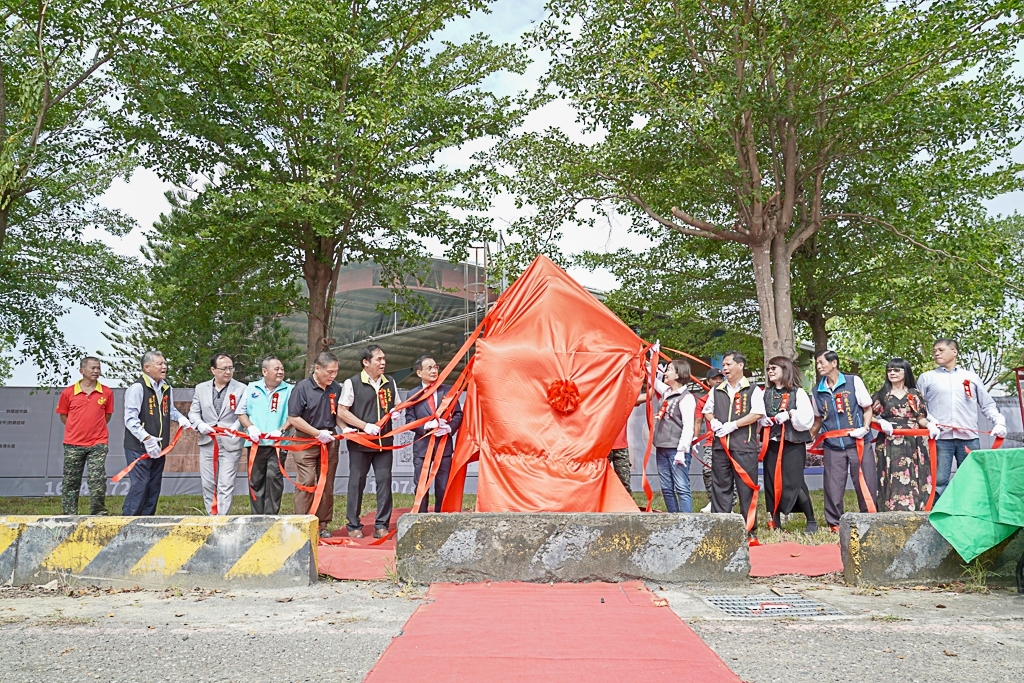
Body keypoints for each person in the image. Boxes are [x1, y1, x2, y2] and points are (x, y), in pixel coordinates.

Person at [917, 338, 1007, 497]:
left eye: (941, 350)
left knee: (971, 479)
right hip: (940, 438)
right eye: (934, 351)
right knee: (939, 481)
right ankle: (937, 515)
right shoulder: (927, 377)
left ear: (954, 352)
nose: (936, 353)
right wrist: (930, 422)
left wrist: (999, 421)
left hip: (969, 438)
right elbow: (918, 407)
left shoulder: (971, 377)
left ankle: (969, 514)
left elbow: (987, 404)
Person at [338, 345, 402, 538]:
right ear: (366, 362)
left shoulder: (389, 381)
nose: (383, 362)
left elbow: (397, 404)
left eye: (384, 359)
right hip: (361, 443)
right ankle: (354, 525)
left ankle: (382, 524)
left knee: (384, 482)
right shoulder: (352, 383)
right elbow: (342, 411)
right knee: (356, 483)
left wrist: (397, 411)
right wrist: (364, 426)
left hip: (384, 443)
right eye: (378, 359)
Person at [702, 351, 765, 539]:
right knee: (720, 487)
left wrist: (734, 425)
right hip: (720, 447)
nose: (725, 368)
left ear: (740, 365)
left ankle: (749, 530)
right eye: (724, 365)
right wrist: (713, 421)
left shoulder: (753, 389)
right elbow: (707, 411)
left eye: (729, 364)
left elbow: (757, 414)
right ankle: (722, 529)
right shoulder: (716, 389)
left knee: (746, 488)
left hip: (744, 446)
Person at [811, 350, 875, 532]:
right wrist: (810, 439)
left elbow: (867, 408)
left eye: (822, 363)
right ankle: (834, 523)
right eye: (817, 364)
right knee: (832, 484)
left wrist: (865, 428)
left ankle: (868, 517)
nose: (819, 367)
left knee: (865, 481)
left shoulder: (853, 381)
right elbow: (818, 419)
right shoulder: (817, 391)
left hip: (858, 442)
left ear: (834, 363)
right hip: (833, 445)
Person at [122, 350, 192, 516]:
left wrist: (181, 418)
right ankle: (127, 521)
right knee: (140, 484)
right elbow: (130, 419)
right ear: (147, 367)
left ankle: (147, 522)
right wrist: (146, 438)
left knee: (154, 486)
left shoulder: (166, 387)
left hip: (160, 447)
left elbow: (169, 410)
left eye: (165, 363)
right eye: (159, 364)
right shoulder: (137, 388)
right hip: (139, 447)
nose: (164, 367)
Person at [288, 351, 344, 538]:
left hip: (329, 440)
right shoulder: (302, 388)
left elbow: (340, 414)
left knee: (326, 483)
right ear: (317, 368)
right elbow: (294, 418)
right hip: (306, 440)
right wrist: (316, 433)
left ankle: (323, 524)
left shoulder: (335, 387)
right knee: (307, 480)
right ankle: (302, 522)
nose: (333, 376)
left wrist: (344, 429)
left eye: (335, 371)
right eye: (329, 371)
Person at [758, 356, 817, 533]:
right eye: (769, 369)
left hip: (792, 443)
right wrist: (764, 421)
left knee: (794, 481)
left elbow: (807, 419)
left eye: (774, 368)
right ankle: (775, 522)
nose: (770, 371)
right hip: (772, 443)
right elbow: (758, 415)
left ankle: (811, 520)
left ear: (785, 369)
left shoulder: (797, 393)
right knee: (770, 481)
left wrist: (790, 414)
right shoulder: (765, 393)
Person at [189, 353, 248, 515]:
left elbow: (243, 412)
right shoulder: (201, 388)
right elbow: (193, 413)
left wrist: (236, 427)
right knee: (208, 483)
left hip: (230, 442)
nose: (228, 372)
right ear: (213, 370)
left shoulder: (242, 388)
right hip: (208, 442)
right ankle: (211, 516)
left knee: (225, 484)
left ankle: (221, 520)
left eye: (231, 368)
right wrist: (200, 425)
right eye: (224, 369)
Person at [55, 357, 114, 515]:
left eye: (98, 368)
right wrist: (77, 429)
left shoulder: (106, 392)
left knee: (97, 479)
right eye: (92, 368)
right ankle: (69, 514)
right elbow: (63, 416)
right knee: (71, 481)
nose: (96, 371)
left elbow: (107, 416)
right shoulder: (68, 392)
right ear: (82, 371)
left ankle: (98, 512)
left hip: (98, 443)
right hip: (73, 443)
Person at [872, 358, 932, 511]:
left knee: (913, 471)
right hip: (888, 439)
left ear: (905, 372)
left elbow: (920, 417)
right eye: (889, 370)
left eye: (896, 370)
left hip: (913, 439)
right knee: (890, 471)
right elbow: (868, 415)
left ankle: (916, 507)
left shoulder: (914, 394)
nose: (892, 373)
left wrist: (930, 425)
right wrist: (880, 423)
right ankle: (889, 508)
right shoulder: (882, 394)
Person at [236, 356, 293, 514]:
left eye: (282, 368)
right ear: (264, 371)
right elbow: (241, 413)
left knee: (273, 477)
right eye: (277, 369)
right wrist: (251, 427)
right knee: (256, 479)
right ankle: (257, 516)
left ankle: (270, 516)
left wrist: (281, 429)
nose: (281, 372)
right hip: (255, 443)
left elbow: (294, 416)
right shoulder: (252, 388)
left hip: (278, 443)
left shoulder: (289, 390)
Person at [407, 354, 463, 512]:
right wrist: (425, 426)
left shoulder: (448, 390)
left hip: (443, 446)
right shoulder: (414, 394)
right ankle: (421, 519)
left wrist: (449, 428)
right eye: (429, 368)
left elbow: (458, 414)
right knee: (421, 486)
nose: (434, 371)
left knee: (442, 486)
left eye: (436, 367)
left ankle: (441, 519)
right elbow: (409, 420)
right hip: (422, 448)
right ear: (419, 373)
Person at [653, 360, 696, 512]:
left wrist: (681, 450)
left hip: (676, 449)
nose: (665, 372)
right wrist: (649, 363)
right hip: (662, 446)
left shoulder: (686, 397)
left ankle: (686, 522)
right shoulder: (667, 392)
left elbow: (688, 426)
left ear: (678, 374)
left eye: (669, 369)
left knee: (681, 486)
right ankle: (674, 519)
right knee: (666, 487)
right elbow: (653, 380)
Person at [697, 367, 734, 513]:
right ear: (708, 381)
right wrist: (694, 437)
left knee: (729, 472)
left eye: (721, 378)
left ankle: (729, 504)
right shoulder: (704, 400)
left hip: (730, 440)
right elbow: (698, 420)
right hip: (710, 441)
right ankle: (714, 501)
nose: (718, 381)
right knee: (707, 471)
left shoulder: (731, 394)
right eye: (715, 379)